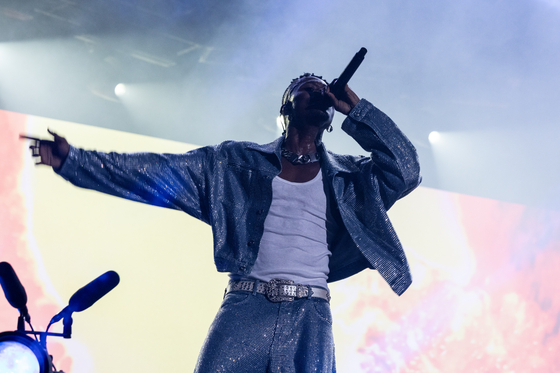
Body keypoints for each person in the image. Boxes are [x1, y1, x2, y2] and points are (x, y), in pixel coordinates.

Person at [27, 73, 421, 372]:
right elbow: (158, 173)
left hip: (311, 316)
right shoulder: (233, 163)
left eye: (325, 91)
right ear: (287, 106)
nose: (320, 93)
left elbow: (406, 170)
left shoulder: (352, 177)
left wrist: (359, 110)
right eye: (308, 88)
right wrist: (75, 160)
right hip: (245, 305)